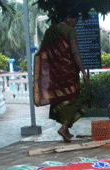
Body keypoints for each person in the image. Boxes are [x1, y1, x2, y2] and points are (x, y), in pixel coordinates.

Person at [34, 13, 90, 142]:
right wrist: (84, 72)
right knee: (74, 99)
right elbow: (75, 52)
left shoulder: (50, 30)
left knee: (60, 100)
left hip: (55, 73)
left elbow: (44, 51)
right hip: (69, 72)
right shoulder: (70, 31)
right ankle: (64, 128)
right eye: (76, 20)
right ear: (68, 18)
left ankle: (67, 131)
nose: (76, 24)